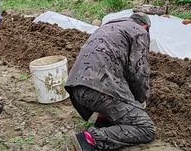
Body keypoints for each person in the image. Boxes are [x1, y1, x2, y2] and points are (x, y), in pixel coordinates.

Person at [65, 12, 155, 150]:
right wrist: (141, 100)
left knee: (115, 92)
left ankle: (104, 121)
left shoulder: (108, 27)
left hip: (76, 87)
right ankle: (90, 140)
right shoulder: (139, 32)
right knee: (146, 128)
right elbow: (139, 73)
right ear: (145, 26)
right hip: (97, 89)